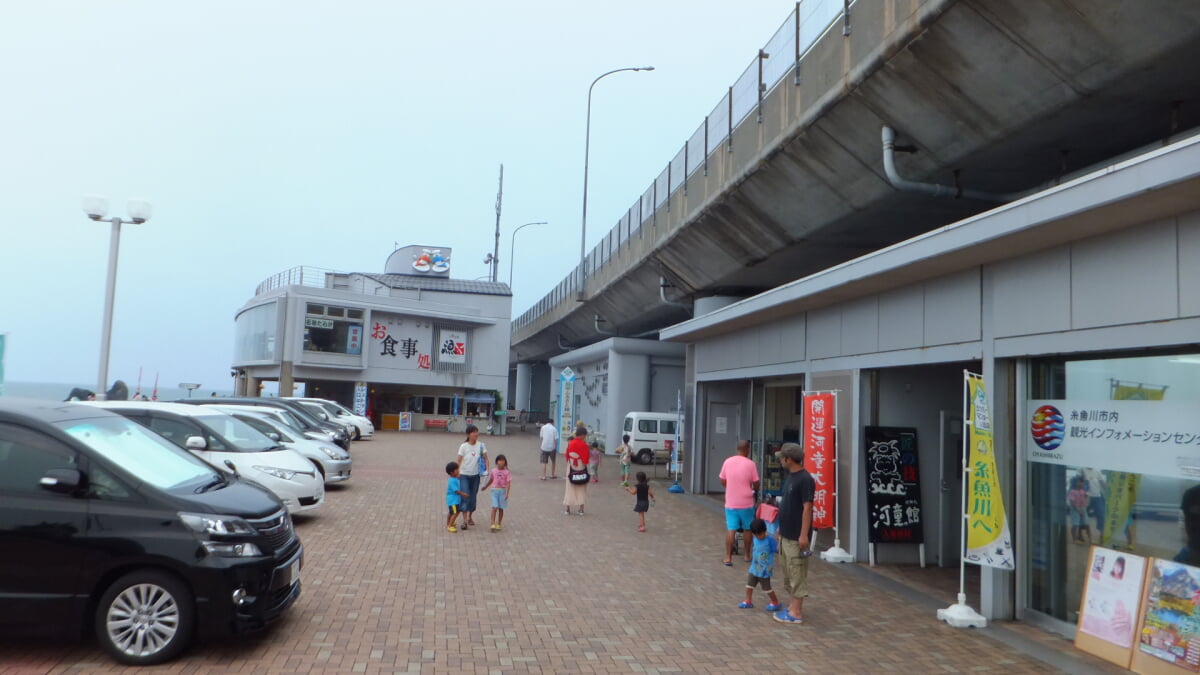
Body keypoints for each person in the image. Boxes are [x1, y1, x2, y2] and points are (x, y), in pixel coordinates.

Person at [773, 442, 814, 625]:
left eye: (782, 457)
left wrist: (803, 535)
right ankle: (792, 607)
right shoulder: (791, 477)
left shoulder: (805, 479)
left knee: (796, 572)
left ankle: (796, 612)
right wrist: (780, 528)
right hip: (786, 534)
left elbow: (807, 508)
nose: (780, 460)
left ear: (789, 459)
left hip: (797, 537)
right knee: (788, 571)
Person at [719, 440, 760, 566]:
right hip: (746, 502)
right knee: (748, 529)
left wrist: (730, 486)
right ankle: (747, 555)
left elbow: (722, 479)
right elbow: (756, 483)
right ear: (747, 449)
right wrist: (754, 489)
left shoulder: (728, 461)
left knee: (731, 529)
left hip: (731, 501)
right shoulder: (751, 464)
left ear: (738, 449)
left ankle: (728, 557)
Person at [739, 518, 782, 612]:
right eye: (756, 535)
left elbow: (777, 550)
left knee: (767, 588)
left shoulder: (769, 540)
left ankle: (775, 602)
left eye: (760, 534)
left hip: (764, 570)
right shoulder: (755, 538)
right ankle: (748, 601)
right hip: (754, 568)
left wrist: (779, 541)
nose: (758, 537)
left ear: (765, 530)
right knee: (749, 585)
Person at [455, 425, 489, 530]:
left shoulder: (481, 446)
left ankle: (470, 516)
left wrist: (487, 470)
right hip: (464, 475)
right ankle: (464, 521)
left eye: (477, 432)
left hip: (476, 475)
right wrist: (457, 473)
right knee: (465, 496)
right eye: (473, 432)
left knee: (473, 497)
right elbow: (459, 460)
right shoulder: (463, 446)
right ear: (468, 434)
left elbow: (486, 459)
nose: (476, 434)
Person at [480, 454, 512, 532]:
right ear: (496, 462)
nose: (501, 462)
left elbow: (508, 483)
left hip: (502, 491)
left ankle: (499, 523)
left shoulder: (507, 472)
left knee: (501, 508)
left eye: (503, 461)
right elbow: (491, 480)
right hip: (494, 491)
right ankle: (492, 523)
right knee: (494, 507)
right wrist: (485, 487)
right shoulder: (493, 471)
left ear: (505, 462)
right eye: (499, 461)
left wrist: (507, 493)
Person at [563, 427, 590, 516]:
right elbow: (585, 460)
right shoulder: (585, 445)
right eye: (585, 435)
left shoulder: (570, 443)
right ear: (582, 435)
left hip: (571, 467)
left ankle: (567, 509)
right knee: (582, 487)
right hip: (581, 468)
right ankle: (581, 510)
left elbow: (567, 456)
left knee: (569, 488)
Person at [1082, 467, 1107, 539]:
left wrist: (1111, 485)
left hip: (1097, 497)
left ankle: (1101, 535)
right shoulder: (1082, 470)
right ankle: (1082, 535)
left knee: (1101, 516)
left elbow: (1104, 485)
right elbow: (1080, 483)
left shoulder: (1097, 471)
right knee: (1082, 515)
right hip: (1086, 497)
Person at [445, 462, 468, 533]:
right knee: (456, 512)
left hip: (452, 500)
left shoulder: (454, 478)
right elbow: (456, 491)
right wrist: (463, 494)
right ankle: (450, 526)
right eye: (456, 470)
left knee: (451, 512)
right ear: (451, 472)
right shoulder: (452, 481)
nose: (458, 471)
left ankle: (448, 523)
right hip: (453, 500)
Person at [1068, 475, 1091, 544]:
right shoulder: (1072, 492)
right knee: (1075, 524)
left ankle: (1090, 539)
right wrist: (1078, 510)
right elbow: (1072, 502)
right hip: (1075, 510)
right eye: (1079, 482)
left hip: (1083, 509)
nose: (1081, 484)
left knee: (1086, 524)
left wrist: (1086, 504)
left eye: (1082, 482)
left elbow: (1086, 498)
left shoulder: (1083, 491)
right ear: (1075, 483)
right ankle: (1074, 539)